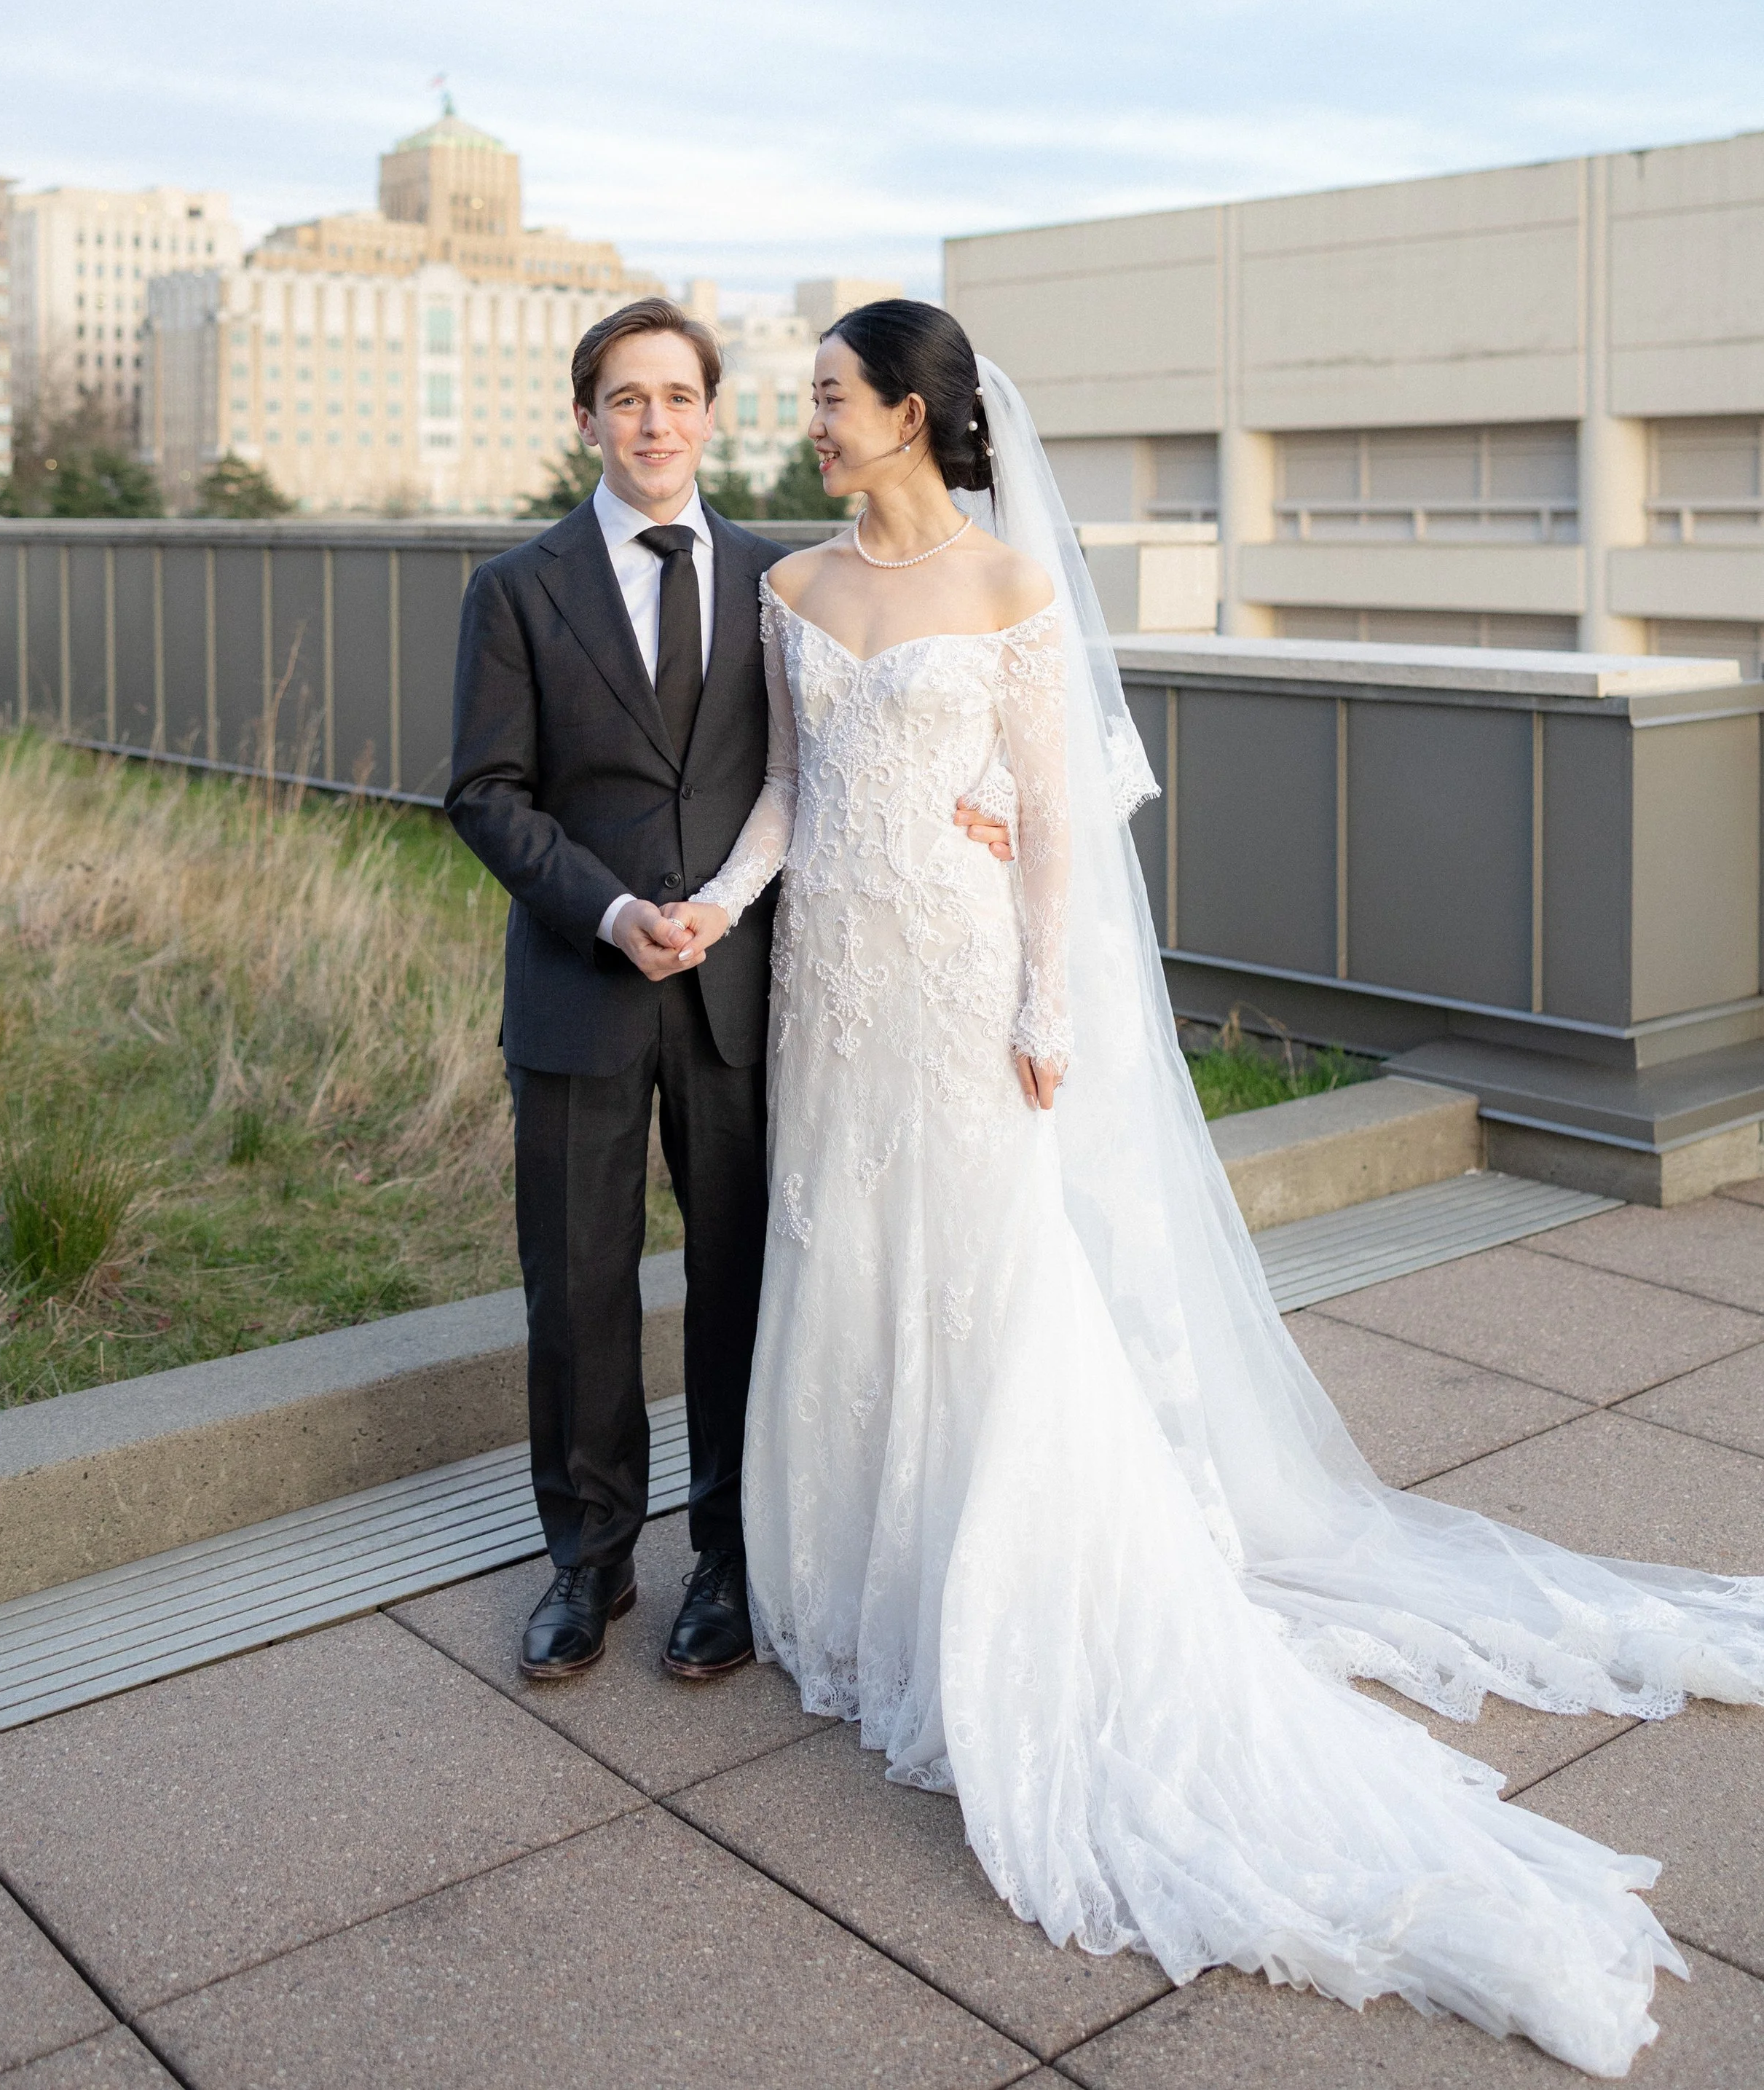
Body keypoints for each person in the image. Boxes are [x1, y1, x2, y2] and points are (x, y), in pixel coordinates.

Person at [664, 298, 1764, 2078]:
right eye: (806, 400)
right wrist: (719, 901)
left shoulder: (1012, 588)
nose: (809, 422)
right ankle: (856, 1572)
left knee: (984, 1281)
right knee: (847, 1260)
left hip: (956, 989)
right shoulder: (790, 592)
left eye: (830, 398)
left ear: (915, 416)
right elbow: (793, 797)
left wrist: (1039, 996)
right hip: (830, 988)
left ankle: (1005, 1582)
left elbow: (1048, 809)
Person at [444, 296, 1014, 1686]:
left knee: (745, 1282)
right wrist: (614, 909)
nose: (654, 424)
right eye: (625, 399)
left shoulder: (786, 577)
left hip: (750, 1000)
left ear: (710, 414)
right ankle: (587, 1564)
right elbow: (485, 795)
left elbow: (845, 752)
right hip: (582, 990)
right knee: (574, 1290)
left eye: (679, 398)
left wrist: (986, 792)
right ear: (586, 418)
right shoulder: (516, 590)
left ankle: (728, 1559)